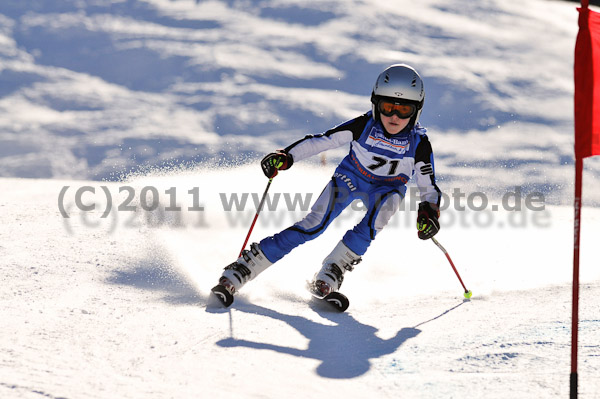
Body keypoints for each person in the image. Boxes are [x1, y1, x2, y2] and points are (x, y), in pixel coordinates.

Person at [214, 64, 442, 302]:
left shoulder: (419, 144)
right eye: (388, 107)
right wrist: (287, 157)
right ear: (375, 104)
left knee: (382, 213)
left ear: (416, 111)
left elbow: (429, 186)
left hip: (387, 188)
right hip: (351, 178)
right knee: (314, 224)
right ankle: (246, 266)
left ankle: (333, 270)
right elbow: (322, 142)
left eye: (404, 110)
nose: (394, 116)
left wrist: (429, 212)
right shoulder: (364, 126)